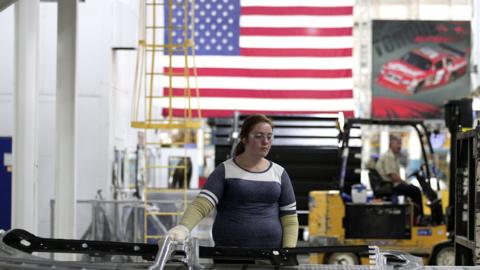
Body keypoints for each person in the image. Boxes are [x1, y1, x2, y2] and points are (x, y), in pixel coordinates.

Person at [168, 114, 299, 248]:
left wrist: (288, 251)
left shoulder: (279, 173)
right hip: (229, 254)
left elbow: (289, 218)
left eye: (269, 136)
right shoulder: (226, 170)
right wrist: (183, 228)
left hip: (270, 256)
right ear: (244, 139)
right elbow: (201, 205)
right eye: (258, 136)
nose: (265, 141)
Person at [375, 135, 424, 223]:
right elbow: (393, 176)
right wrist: (405, 183)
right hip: (389, 186)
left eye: (400, 143)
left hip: (391, 185)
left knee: (412, 189)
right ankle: (419, 218)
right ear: (391, 144)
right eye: (397, 143)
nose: (400, 146)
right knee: (415, 190)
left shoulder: (394, 156)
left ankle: (415, 217)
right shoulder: (388, 156)